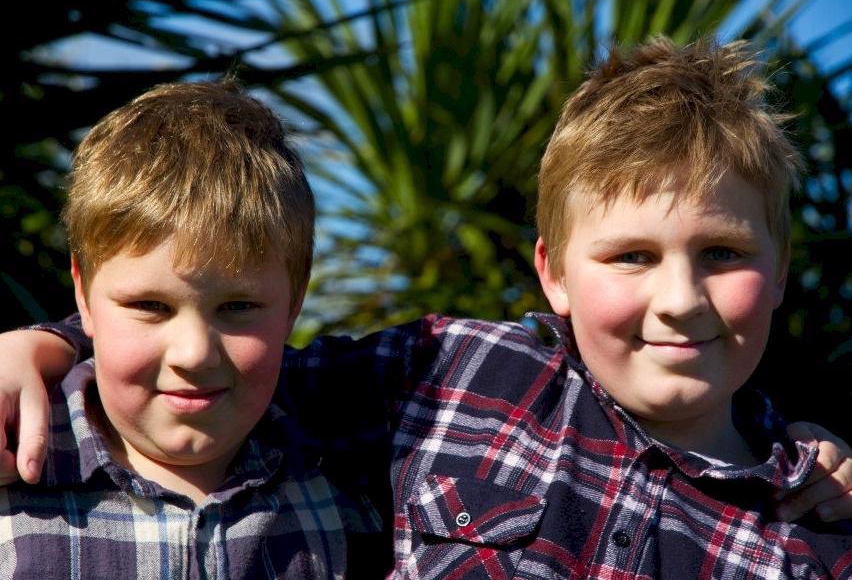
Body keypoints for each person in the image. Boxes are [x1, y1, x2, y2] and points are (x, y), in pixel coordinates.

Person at [2, 37, 852, 578]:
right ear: (552, 272)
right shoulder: (452, 376)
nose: (679, 299)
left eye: (724, 254)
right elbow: (225, 347)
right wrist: (46, 345)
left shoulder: (816, 533)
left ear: (781, 270)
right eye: (631, 255)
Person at [0, 80, 388, 579]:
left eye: (239, 307)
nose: (194, 354)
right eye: (150, 306)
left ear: (295, 300)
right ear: (83, 293)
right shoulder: (11, 467)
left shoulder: (354, 466)